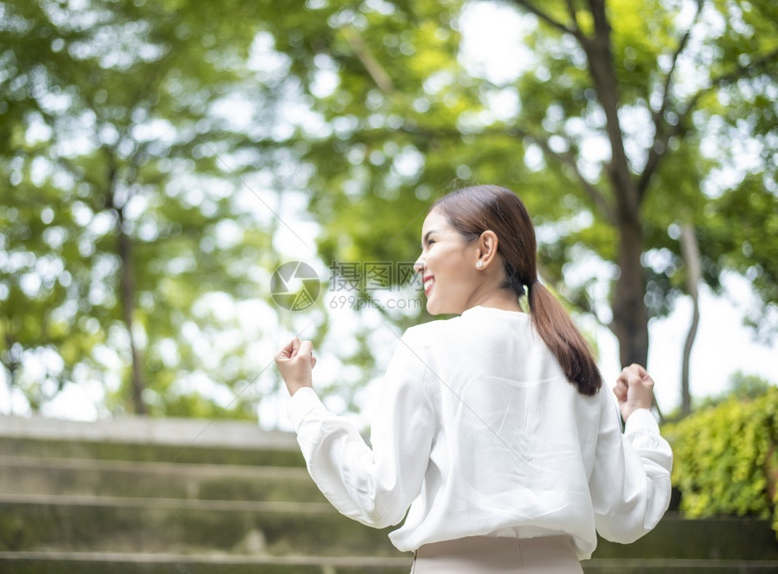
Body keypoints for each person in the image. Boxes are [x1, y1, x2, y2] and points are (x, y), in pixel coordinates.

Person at [275, 185, 672, 573]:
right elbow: (628, 513)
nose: (418, 262)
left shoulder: (427, 345)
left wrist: (303, 396)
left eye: (430, 242)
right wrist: (638, 417)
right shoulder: (577, 358)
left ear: (484, 249)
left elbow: (381, 496)